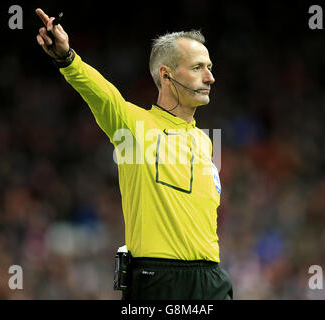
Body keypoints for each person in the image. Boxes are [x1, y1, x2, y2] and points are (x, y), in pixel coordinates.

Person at [35, 8, 233, 300]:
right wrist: (67, 58)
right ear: (166, 75)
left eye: (210, 67)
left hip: (212, 278)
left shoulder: (205, 142)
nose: (210, 77)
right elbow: (101, 94)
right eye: (197, 68)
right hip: (160, 281)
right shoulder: (132, 126)